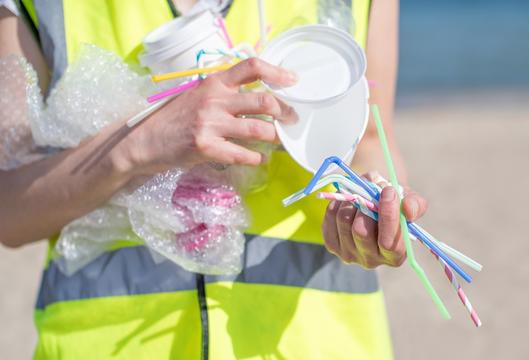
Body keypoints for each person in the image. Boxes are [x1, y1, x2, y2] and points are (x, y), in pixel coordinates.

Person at [0, 0, 428, 358]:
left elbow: (372, 139)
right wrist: (141, 142)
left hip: (314, 342)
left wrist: (376, 213)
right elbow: (10, 209)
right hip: (112, 345)